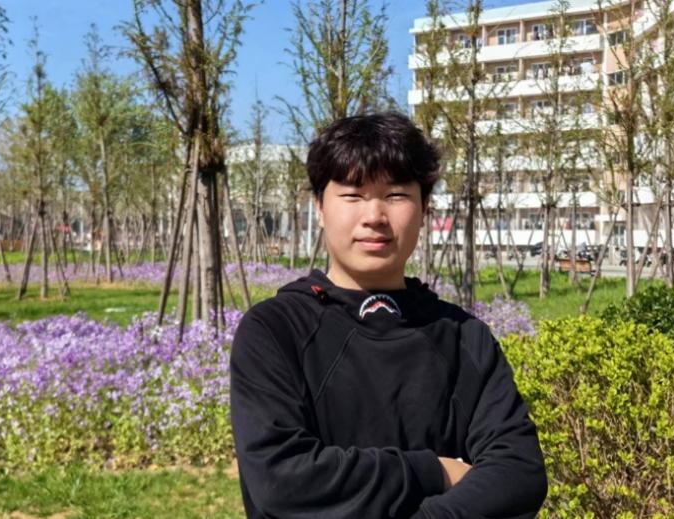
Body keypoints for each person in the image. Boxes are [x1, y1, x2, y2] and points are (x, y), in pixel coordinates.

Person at [230, 112, 548, 518]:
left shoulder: (463, 336)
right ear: (320, 207)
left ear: (424, 207)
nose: (375, 216)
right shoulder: (275, 330)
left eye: (396, 194)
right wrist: (433, 471)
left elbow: (518, 474)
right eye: (353, 195)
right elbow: (283, 480)